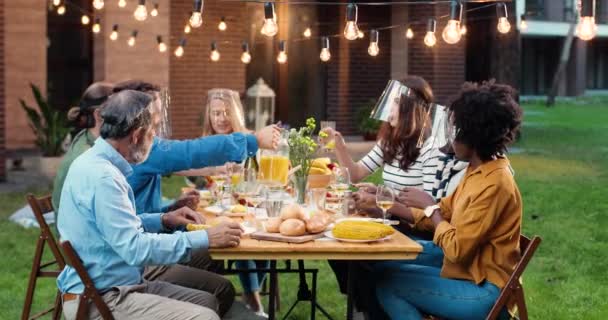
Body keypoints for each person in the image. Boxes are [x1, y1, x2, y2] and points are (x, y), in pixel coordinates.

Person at [57, 89, 244, 320]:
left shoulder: (95, 162)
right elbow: (135, 249)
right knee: (204, 317)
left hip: (120, 280)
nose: (155, 139)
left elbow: (115, 226)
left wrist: (163, 219)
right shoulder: (104, 178)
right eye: (153, 133)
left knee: (212, 297)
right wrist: (206, 238)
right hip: (102, 297)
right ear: (136, 136)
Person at [112, 81, 278, 317]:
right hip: (136, 267)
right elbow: (191, 152)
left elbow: (131, 216)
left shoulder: (123, 152)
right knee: (220, 253)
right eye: (156, 117)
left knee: (224, 255)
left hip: (142, 250)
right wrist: (253, 141)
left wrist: (168, 213)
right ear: (138, 121)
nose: (159, 125)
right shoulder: (138, 150)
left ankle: (239, 298)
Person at [373, 80, 523, 320]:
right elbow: (443, 211)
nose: (450, 140)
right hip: (467, 273)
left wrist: (430, 207)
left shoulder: (495, 184)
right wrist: (389, 202)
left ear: (474, 136)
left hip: (486, 291)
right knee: (382, 268)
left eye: (456, 132)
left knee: (390, 286)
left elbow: (457, 251)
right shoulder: (476, 170)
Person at [197, 88, 270, 317]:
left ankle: (251, 293)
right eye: (216, 113)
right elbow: (201, 182)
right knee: (238, 237)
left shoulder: (250, 140)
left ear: (236, 114)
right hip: (218, 210)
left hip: (250, 203)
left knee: (263, 238)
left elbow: (263, 177)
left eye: (226, 113)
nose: (220, 119)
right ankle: (253, 298)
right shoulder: (206, 142)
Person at [322, 76, 435, 192]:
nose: (389, 108)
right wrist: (340, 147)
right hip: (388, 210)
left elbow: (430, 204)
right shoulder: (389, 142)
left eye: (396, 102)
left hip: (405, 210)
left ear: (412, 108)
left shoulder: (430, 149)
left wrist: (380, 193)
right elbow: (354, 175)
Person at [52, 82, 114, 210]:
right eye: (117, 108)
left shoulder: (86, 136)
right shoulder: (86, 154)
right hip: (75, 227)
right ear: (98, 115)